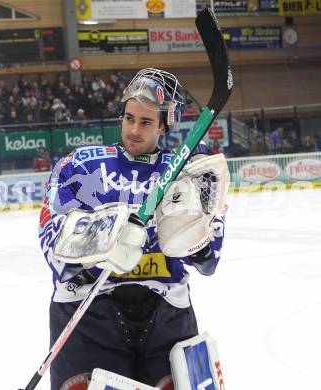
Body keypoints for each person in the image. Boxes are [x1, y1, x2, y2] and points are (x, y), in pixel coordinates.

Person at [38, 68, 227, 389]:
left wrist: (192, 233)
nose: (134, 130)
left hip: (167, 313)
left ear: (164, 125)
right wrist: (102, 238)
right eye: (129, 118)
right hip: (88, 311)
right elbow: (52, 240)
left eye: (146, 122)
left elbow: (209, 261)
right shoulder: (81, 166)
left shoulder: (189, 172)